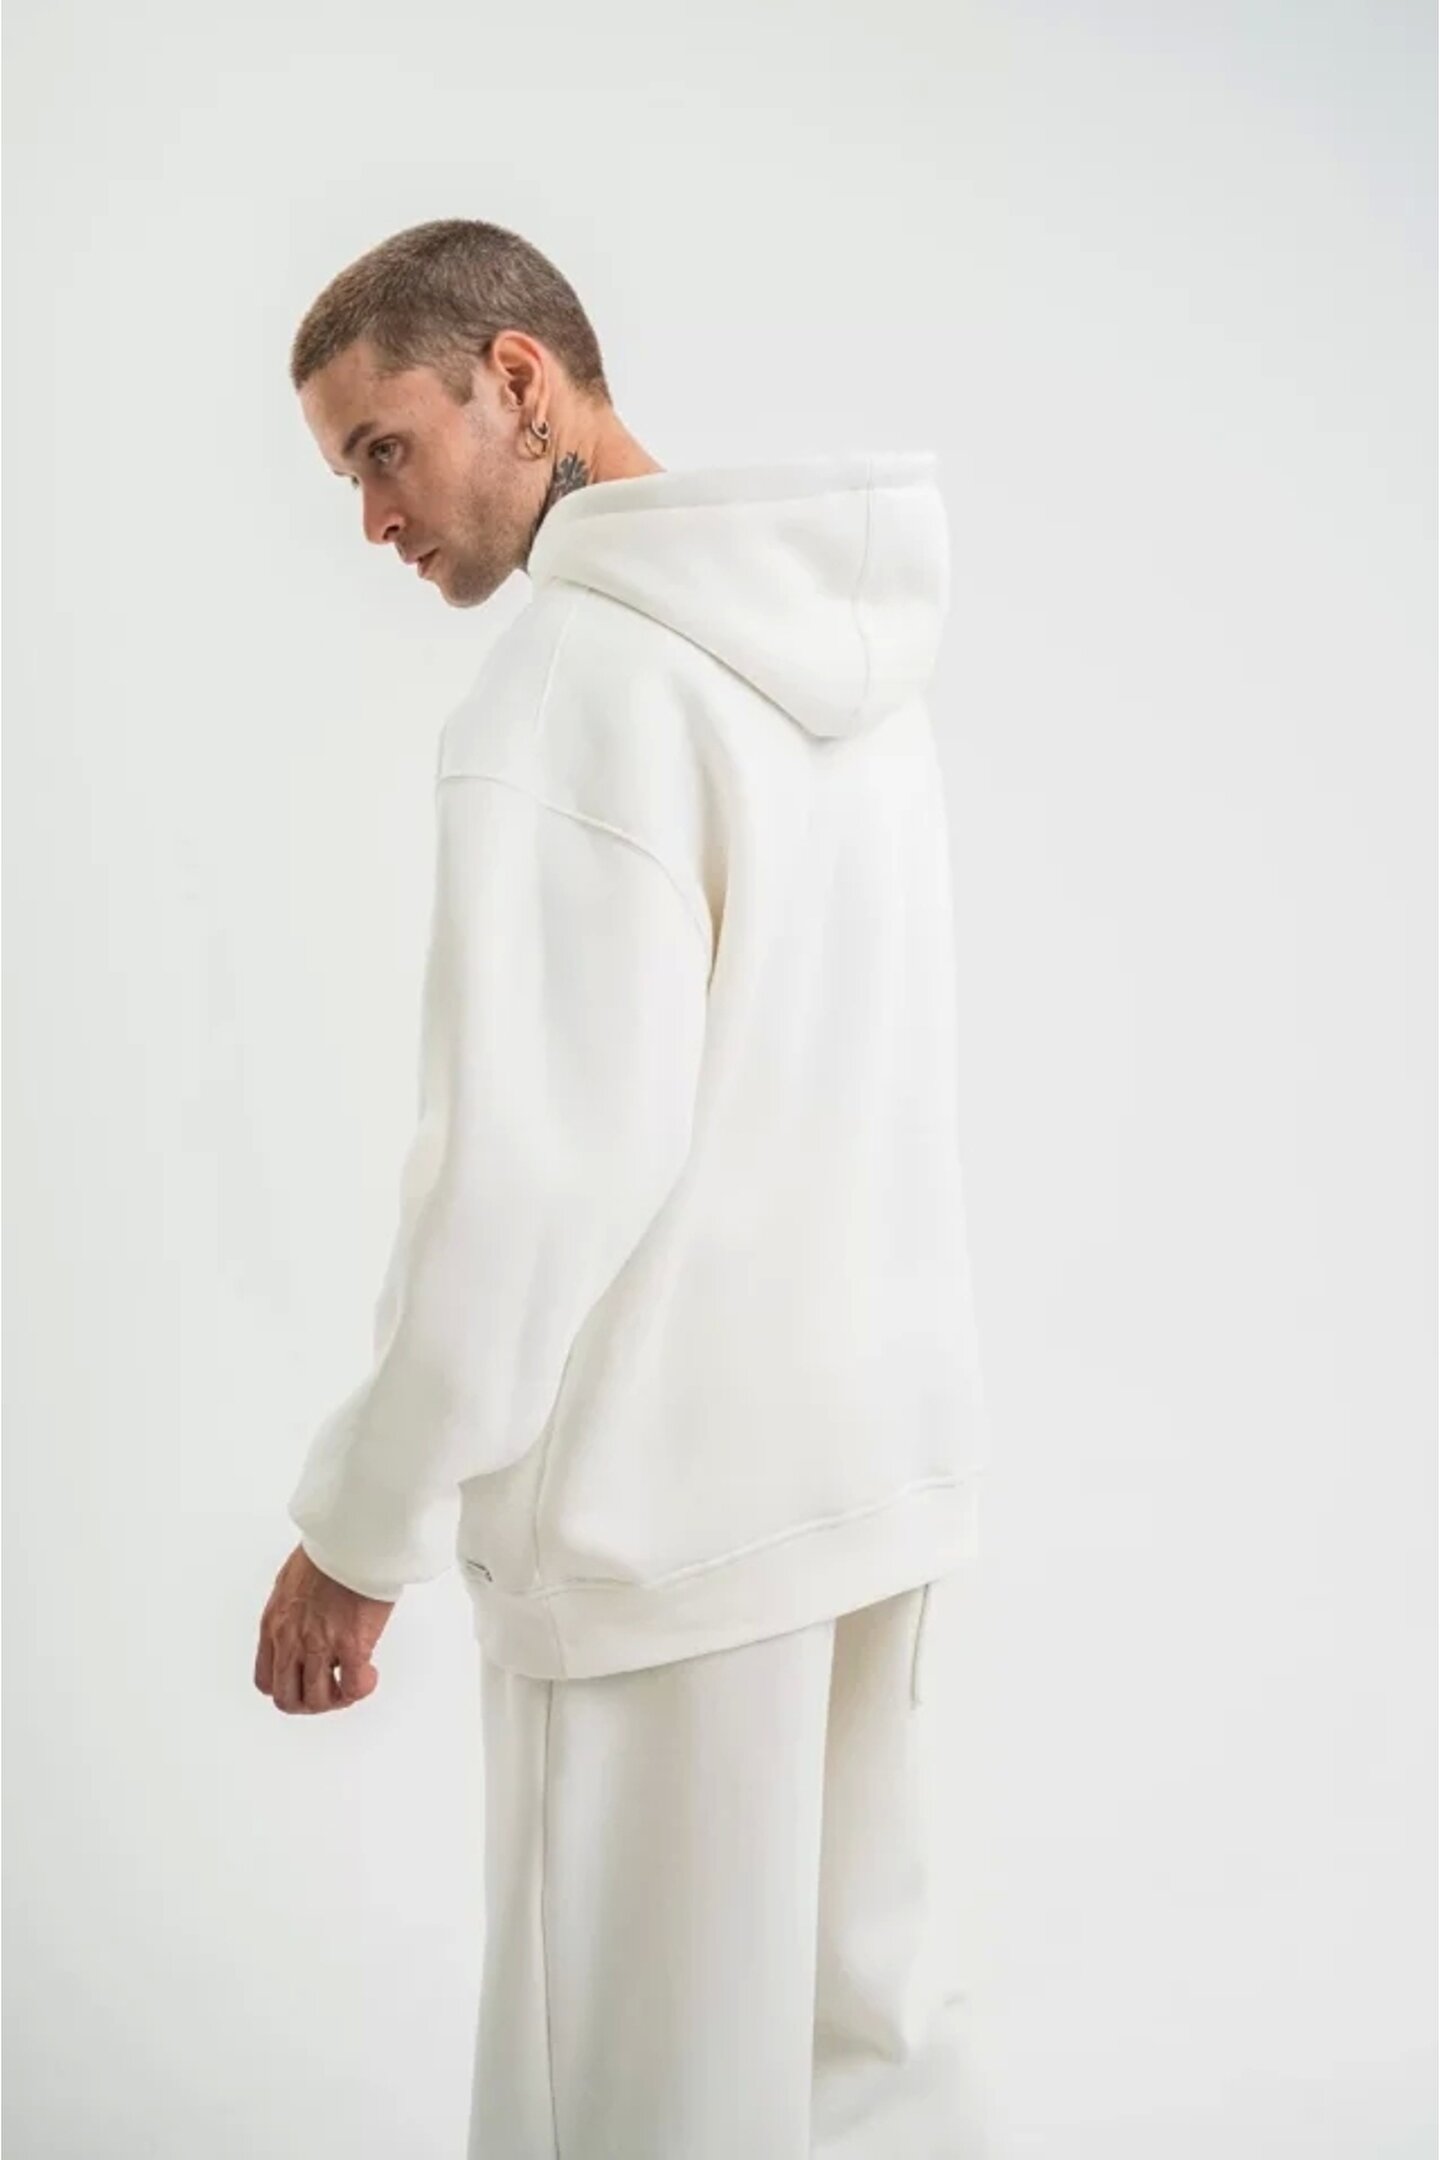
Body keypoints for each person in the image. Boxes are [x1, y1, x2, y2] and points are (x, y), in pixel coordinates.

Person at [253, 217, 993, 2158]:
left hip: (661, 1540)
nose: (372, 519)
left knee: (633, 2110)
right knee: (859, 2071)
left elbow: (525, 1180)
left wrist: (361, 1528)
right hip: (868, 1486)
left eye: (382, 449)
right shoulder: (854, 663)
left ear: (519, 380)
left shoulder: (575, 693)